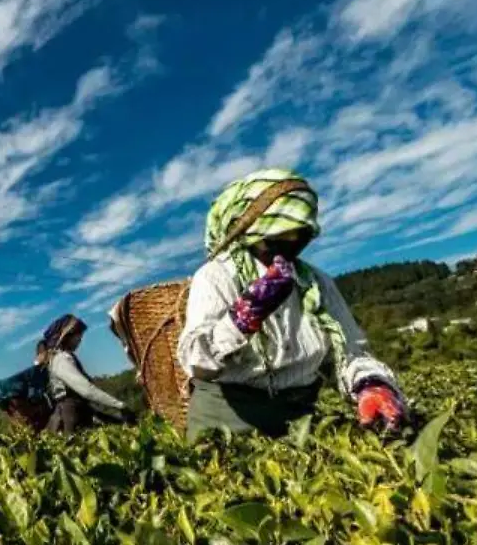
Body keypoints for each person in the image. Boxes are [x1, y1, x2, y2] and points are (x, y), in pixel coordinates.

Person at [175, 168, 408, 441]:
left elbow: (350, 351)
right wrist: (244, 316)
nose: (293, 242)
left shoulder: (316, 283)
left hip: (299, 420)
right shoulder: (217, 275)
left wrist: (371, 385)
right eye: (281, 234)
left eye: (300, 234)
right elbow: (195, 360)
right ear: (253, 230)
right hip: (227, 422)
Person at [39, 314, 136, 433]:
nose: (80, 339)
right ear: (67, 336)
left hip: (79, 410)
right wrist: (120, 405)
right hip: (71, 415)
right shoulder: (61, 359)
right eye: (78, 335)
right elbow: (86, 390)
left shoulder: (63, 357)